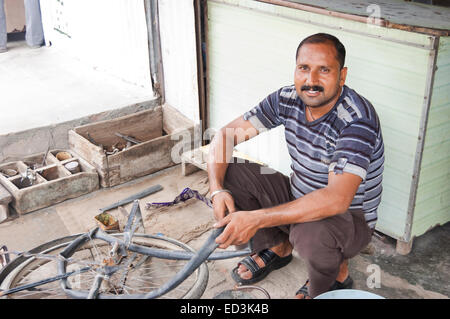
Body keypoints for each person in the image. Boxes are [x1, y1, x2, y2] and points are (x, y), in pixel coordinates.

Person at [207, 33, 384, 299]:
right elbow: (226, 135)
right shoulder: (286, 98)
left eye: (324, 70)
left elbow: (336, 200)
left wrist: (255, 219)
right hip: (300, 193)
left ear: (342, 75)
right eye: (304, 68)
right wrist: (216, 189)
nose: (311, 81)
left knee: (310, 233)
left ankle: (334, 278)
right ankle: (278, 247)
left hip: (349, 218)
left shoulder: (356, 120)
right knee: (231, 171)